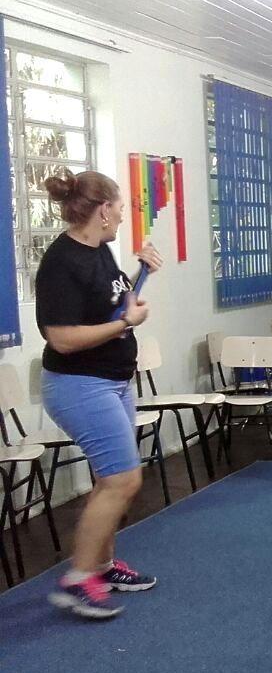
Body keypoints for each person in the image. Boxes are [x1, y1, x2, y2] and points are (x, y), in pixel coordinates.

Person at [36, 169, 161, 619]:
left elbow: (109, 305)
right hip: (78, 385)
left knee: (109, 478)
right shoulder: (61, 262)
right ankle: (76, 580)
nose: (123, 219)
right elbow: (64, 338)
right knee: (123, 480)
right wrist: (127, 324)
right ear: (104, 210)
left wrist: (140, 275)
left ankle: (102, 566)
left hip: (112, 381)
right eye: (121, 210)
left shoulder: (100, 253)